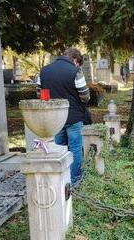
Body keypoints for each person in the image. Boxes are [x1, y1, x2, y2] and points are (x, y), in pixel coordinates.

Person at [39, 48, 91, 183]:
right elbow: (85, 96)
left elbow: (40, 94)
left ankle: (59, 180)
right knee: (75, 149)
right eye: (78, 63)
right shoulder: (75, 71)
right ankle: (74, 181)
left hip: (54, 118)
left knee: (58, 148)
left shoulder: (44, 71)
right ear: (75, 60)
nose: (78, 66)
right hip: (74, 117)